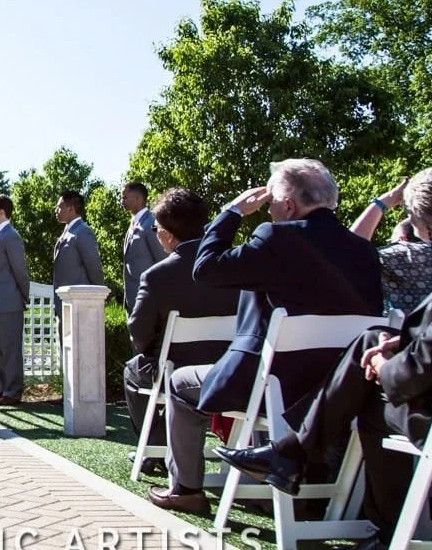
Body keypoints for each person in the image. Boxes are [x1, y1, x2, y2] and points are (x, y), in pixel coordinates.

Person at [215, 106, 432, 550]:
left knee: (373, 397)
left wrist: (389, 368)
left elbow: (430, 363)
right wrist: (398, 344)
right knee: (372, 341)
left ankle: (376, 526)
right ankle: (293, 457)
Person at [149, 159, 382, 515]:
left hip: (273, 385)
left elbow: (206, 269)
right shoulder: (363, 251)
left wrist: (231, 214)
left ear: (289, 205)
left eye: (272, 200)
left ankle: (186, 489)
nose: (268, 208)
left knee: (179, 382)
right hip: (339, 391)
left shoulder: (277, 238)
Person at [123, 188, 240, 474]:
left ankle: (157, 449)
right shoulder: (233, 267)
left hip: (174, 372)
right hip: (230, 370)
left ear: (168, 234)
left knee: (132, 371)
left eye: (157, 228)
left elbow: (140, 336)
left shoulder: (157, 276)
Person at [349, 166, 432, 314]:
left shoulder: (404, 258)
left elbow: (349, 251)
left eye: (410, 212)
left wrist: (382, 203)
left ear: (431, 222)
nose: (409, 219)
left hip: (417, 337)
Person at [0, 193, 29, 406]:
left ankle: (13, 391)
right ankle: (3, 389)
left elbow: (20, 270)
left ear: (2, 212)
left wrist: (23, 296)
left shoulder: (11, 236)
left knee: (10, 348)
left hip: (9, 302)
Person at [121, 181, 166, 312]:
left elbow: (162, 259)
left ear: (138, 198)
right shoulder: (134, 224)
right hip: (133, 299)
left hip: (148, 300)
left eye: (125, 197)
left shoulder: (151, 223)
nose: (121, 201)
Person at [52, 190, 103, 302]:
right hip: (65, 300)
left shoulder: (83, 232)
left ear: (71, 209)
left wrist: (99, 294)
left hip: (79, 301)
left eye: (60, 207)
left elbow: (93, 266)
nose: (56, 211)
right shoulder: (68, 231)